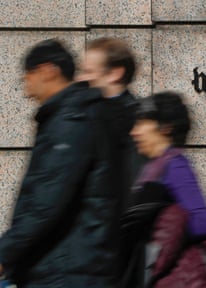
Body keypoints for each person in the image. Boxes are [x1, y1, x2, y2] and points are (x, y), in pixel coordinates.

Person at [0, 39, 120, 287]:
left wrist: (5, 252)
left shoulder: (71, 121)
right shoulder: (68, 116)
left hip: (65, 272)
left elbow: (46, 201)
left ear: (47, 70)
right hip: (63, 268)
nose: (25, 88)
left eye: (28, 76)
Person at [124, 91, 206, 287]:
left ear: (165, 128)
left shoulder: (175, 166)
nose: (134, 131)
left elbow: (201, 222)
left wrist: (165, 240)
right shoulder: (154, 166)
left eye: (142, 123)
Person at [76, 37, 139, 212]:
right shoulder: (87, 113)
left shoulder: (135, 121)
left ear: (115, 73)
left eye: (88, 72)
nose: (81, 78)